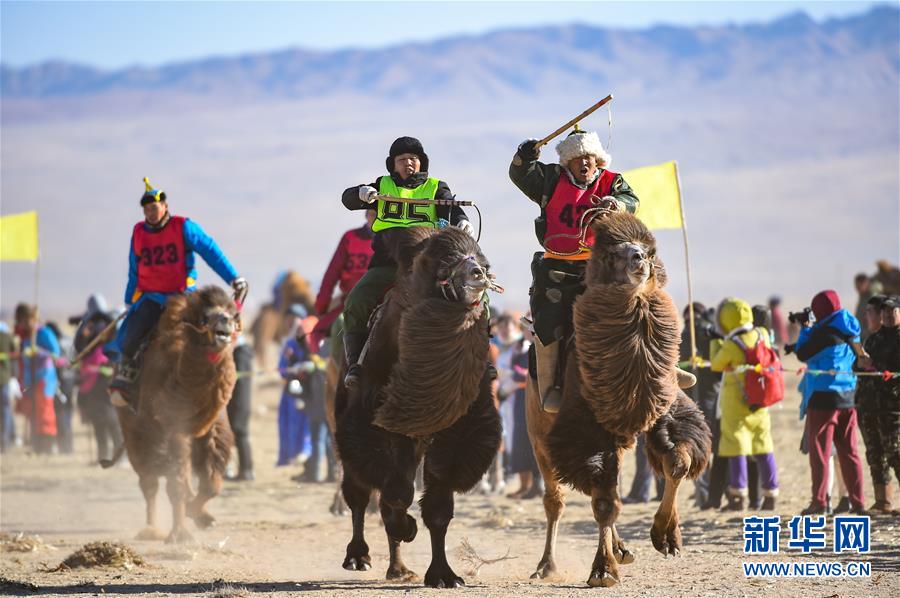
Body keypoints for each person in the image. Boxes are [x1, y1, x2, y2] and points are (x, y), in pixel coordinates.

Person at [509, 126, 695, 413]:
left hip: (604, 265)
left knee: (645, 303)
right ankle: (549, 388)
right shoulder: (549, 180)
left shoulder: (612, 181)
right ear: (566, 162)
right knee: (548, 322)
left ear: (598, 159)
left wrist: (616, 203)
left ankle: (665, 367)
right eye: (577, 158)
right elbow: (521, 174)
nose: (584, 163)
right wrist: (526, 155)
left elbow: (631, 201)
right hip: (558, 267)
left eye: (589, 157)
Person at [340, 136, 473, 388]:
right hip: (386, 264)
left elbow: (453, 207)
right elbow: (348, 200)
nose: (408, 164)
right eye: (402, 160)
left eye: (413, 159)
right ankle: (355, 363)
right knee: (356, 300)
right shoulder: (382, 185)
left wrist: (462, 219)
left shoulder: (436, 187)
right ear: (393, 165)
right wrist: (360, 193)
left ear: (421, 163)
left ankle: (475, 356)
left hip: (426, 266)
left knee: (469, 296)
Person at [109, 178, 247, 409]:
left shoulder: (183, 227)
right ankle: (127, 378)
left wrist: (233, 278)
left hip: (183, 297)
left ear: (164, 206)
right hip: (151, 297)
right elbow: (134, 269)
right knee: (132, 334)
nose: (151, 213)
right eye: (146, 209)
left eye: (154, 207)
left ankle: (219, 374)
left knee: (212, 328)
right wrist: (128, 301)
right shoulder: (139, 233)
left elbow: (210, 250)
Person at [793, 290, 867, 515]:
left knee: (821, 454)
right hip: (847, 397)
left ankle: (819, 502)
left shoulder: (822, 333)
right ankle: (859, 502)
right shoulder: (851, 330)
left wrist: (806, 328)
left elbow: (802, 353)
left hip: (823, 399)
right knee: (850, 452)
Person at [709, 298, 779, 511]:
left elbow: (716, 364)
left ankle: (738, 495)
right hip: (760, 401)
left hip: (736, 403)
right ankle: (771, 494)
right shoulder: (762, 335)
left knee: (736, 446)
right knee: (763, 445)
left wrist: (715, 341)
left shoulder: (731, 345)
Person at [679, 303, 725, 508]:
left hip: (700, 396)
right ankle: (709, 492)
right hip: (708, 395)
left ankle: (706, 493)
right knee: (709, 445)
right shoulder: (712, 331)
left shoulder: (695, 333)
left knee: (701, 444)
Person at [312, 210, 376, 351]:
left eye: (379, 213)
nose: (375, 216)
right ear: (366, 214)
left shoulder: (392, 237)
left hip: (384, 300)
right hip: (350, 302)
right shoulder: (350, 237)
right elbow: (332, 274)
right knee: (322, 332)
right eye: (372, 213)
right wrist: (321, 306)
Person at [72, 295, 122, 463]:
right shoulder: (87, 326)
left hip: (106, 384)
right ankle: (103, 457)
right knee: (98, 422)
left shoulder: (111, 325)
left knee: (112, 421)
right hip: (91, 385)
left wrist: (106, 369)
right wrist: (85, 334)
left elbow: (116, 353)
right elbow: (80, 349)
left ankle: (119, 457)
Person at [861, 295, 900, 513]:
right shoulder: (874, 339)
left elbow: (892, 369)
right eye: (884, 311)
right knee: (875, 454)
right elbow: (864, 371)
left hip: (893, 406)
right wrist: (861, 363)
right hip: (870, 405)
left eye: (892, 311)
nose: (887, 314)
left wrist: (873, 365)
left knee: (895, 452)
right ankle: (883, 501)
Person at [276, 315, 323, 470]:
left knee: (316, 434)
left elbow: (321, 364)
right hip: (299, 392)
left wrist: (308, 367)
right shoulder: (294, 344)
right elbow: (285, 368)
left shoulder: (319, 344)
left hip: (316, 395)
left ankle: (314, 469)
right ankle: (306, 467)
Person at [14, 303, 60, 454]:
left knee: (45, 412)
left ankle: (47, 446)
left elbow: (56, 355)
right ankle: (36, 447)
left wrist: (39, 352)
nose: (25, 324)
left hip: (45, 379)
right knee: (33, 413)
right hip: (31, 381)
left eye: (27, 321)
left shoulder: (44, 333)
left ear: (33, 318)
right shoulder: (27, 337)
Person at [226, 335, 255, 481]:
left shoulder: (241, 353)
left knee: (240, 433)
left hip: (239, 401)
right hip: (237, 401)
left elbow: (241, 379)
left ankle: (246, 471)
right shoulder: (241, 352)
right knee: (238, 433)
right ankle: (244, 470)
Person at [0, 320, 18, 452]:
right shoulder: (7, 336)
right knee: (6, 411)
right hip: (5, 379)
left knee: (6, 410)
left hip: (5, 380)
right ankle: (7, 442)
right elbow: (16, 354)